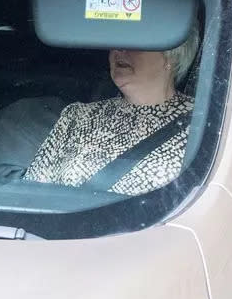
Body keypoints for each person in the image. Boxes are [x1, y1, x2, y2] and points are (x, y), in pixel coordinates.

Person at [21, 25, 200, 195]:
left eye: (134, 40)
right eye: (115, 38)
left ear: (171, 55)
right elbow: (32, 193)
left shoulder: (204, 124)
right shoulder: (77, 116)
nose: (118, 49)